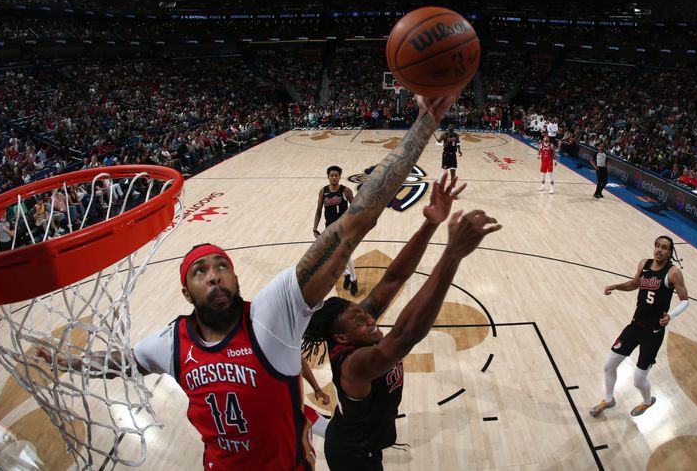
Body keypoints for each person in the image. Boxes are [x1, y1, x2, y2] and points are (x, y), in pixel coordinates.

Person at [37, 92, 460, 471]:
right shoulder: (171, 343)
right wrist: (66, 363)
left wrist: (424, 124)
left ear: (236, 276)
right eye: (200, 271)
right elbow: (123, 364)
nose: (214, 275)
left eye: (221, 265)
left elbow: (355, 224)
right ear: (186, 292)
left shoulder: (271, 315)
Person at [301, 176, 498, 470]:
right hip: (352, 453)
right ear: (342, 338)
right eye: (360, 319)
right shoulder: (355, 365)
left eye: (364, 313)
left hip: (366, 438)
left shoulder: (352, 329)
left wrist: (430, 224)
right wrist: (452, 255)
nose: (369, 318)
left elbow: (393, 278)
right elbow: (406, 334)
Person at [589, 236, 689, 418]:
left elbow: (685, 301)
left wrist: (670, 316)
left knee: (638, 380)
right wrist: (617, 286)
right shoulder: (644, 264)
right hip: (635, 326)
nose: (659, 250)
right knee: (609, 366)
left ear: (669, 252)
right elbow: (635, 284)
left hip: (653, 332)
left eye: (664, 248)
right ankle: (609, 399)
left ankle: (647, 402)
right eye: (657, 246)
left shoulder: (673, 273)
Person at [313, 166, 358, 294]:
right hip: (330, 228)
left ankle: (354, 280)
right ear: (328, 176)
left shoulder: (346, 191)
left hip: (344, 228)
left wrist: (354, 225)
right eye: (331, 175)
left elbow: (355, 209)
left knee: (345, 254)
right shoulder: (324, 191)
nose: (334, 177)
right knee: (333, 256)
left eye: (336, 175)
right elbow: (318, 210)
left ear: (339, 176)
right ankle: (347, 274)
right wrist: (315, 227)